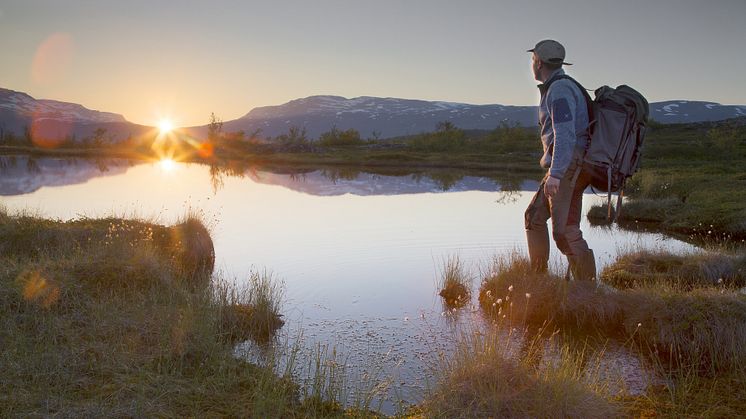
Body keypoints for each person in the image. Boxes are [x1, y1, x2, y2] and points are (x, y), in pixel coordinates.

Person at [524, 39, 596, 281]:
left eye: (533, 60)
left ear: (539, 63)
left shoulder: (560, 90)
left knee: (565, 231)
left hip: (567, 166)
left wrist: (555, 174)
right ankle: (538, 280)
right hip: (565, 163)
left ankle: (587, 291)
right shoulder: (557, 87)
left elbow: (565, 134)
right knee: (533, 218)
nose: (532, 65)